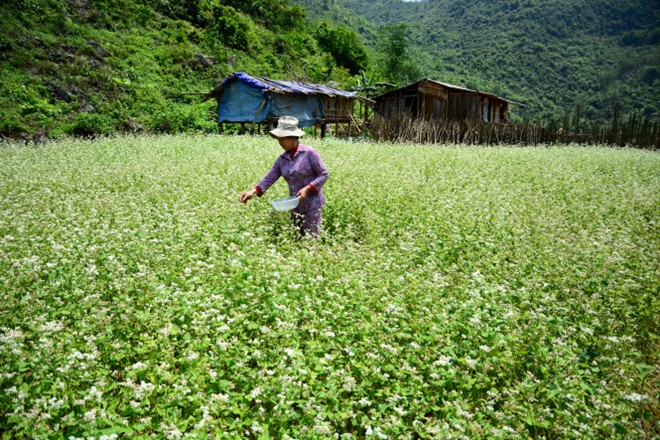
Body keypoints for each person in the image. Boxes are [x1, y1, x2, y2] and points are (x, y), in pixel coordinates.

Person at [240, 116, 329, 237]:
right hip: (294, 205)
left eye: (283, 138)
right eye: (278, 138)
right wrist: (252, 192)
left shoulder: (309, 153)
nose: (280, 142)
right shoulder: (283, 159)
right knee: (298, 239)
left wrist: (307, 189)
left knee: (311, 240)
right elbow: (269, 178)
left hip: (312, 205)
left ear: (293, 136)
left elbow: (323, 174)